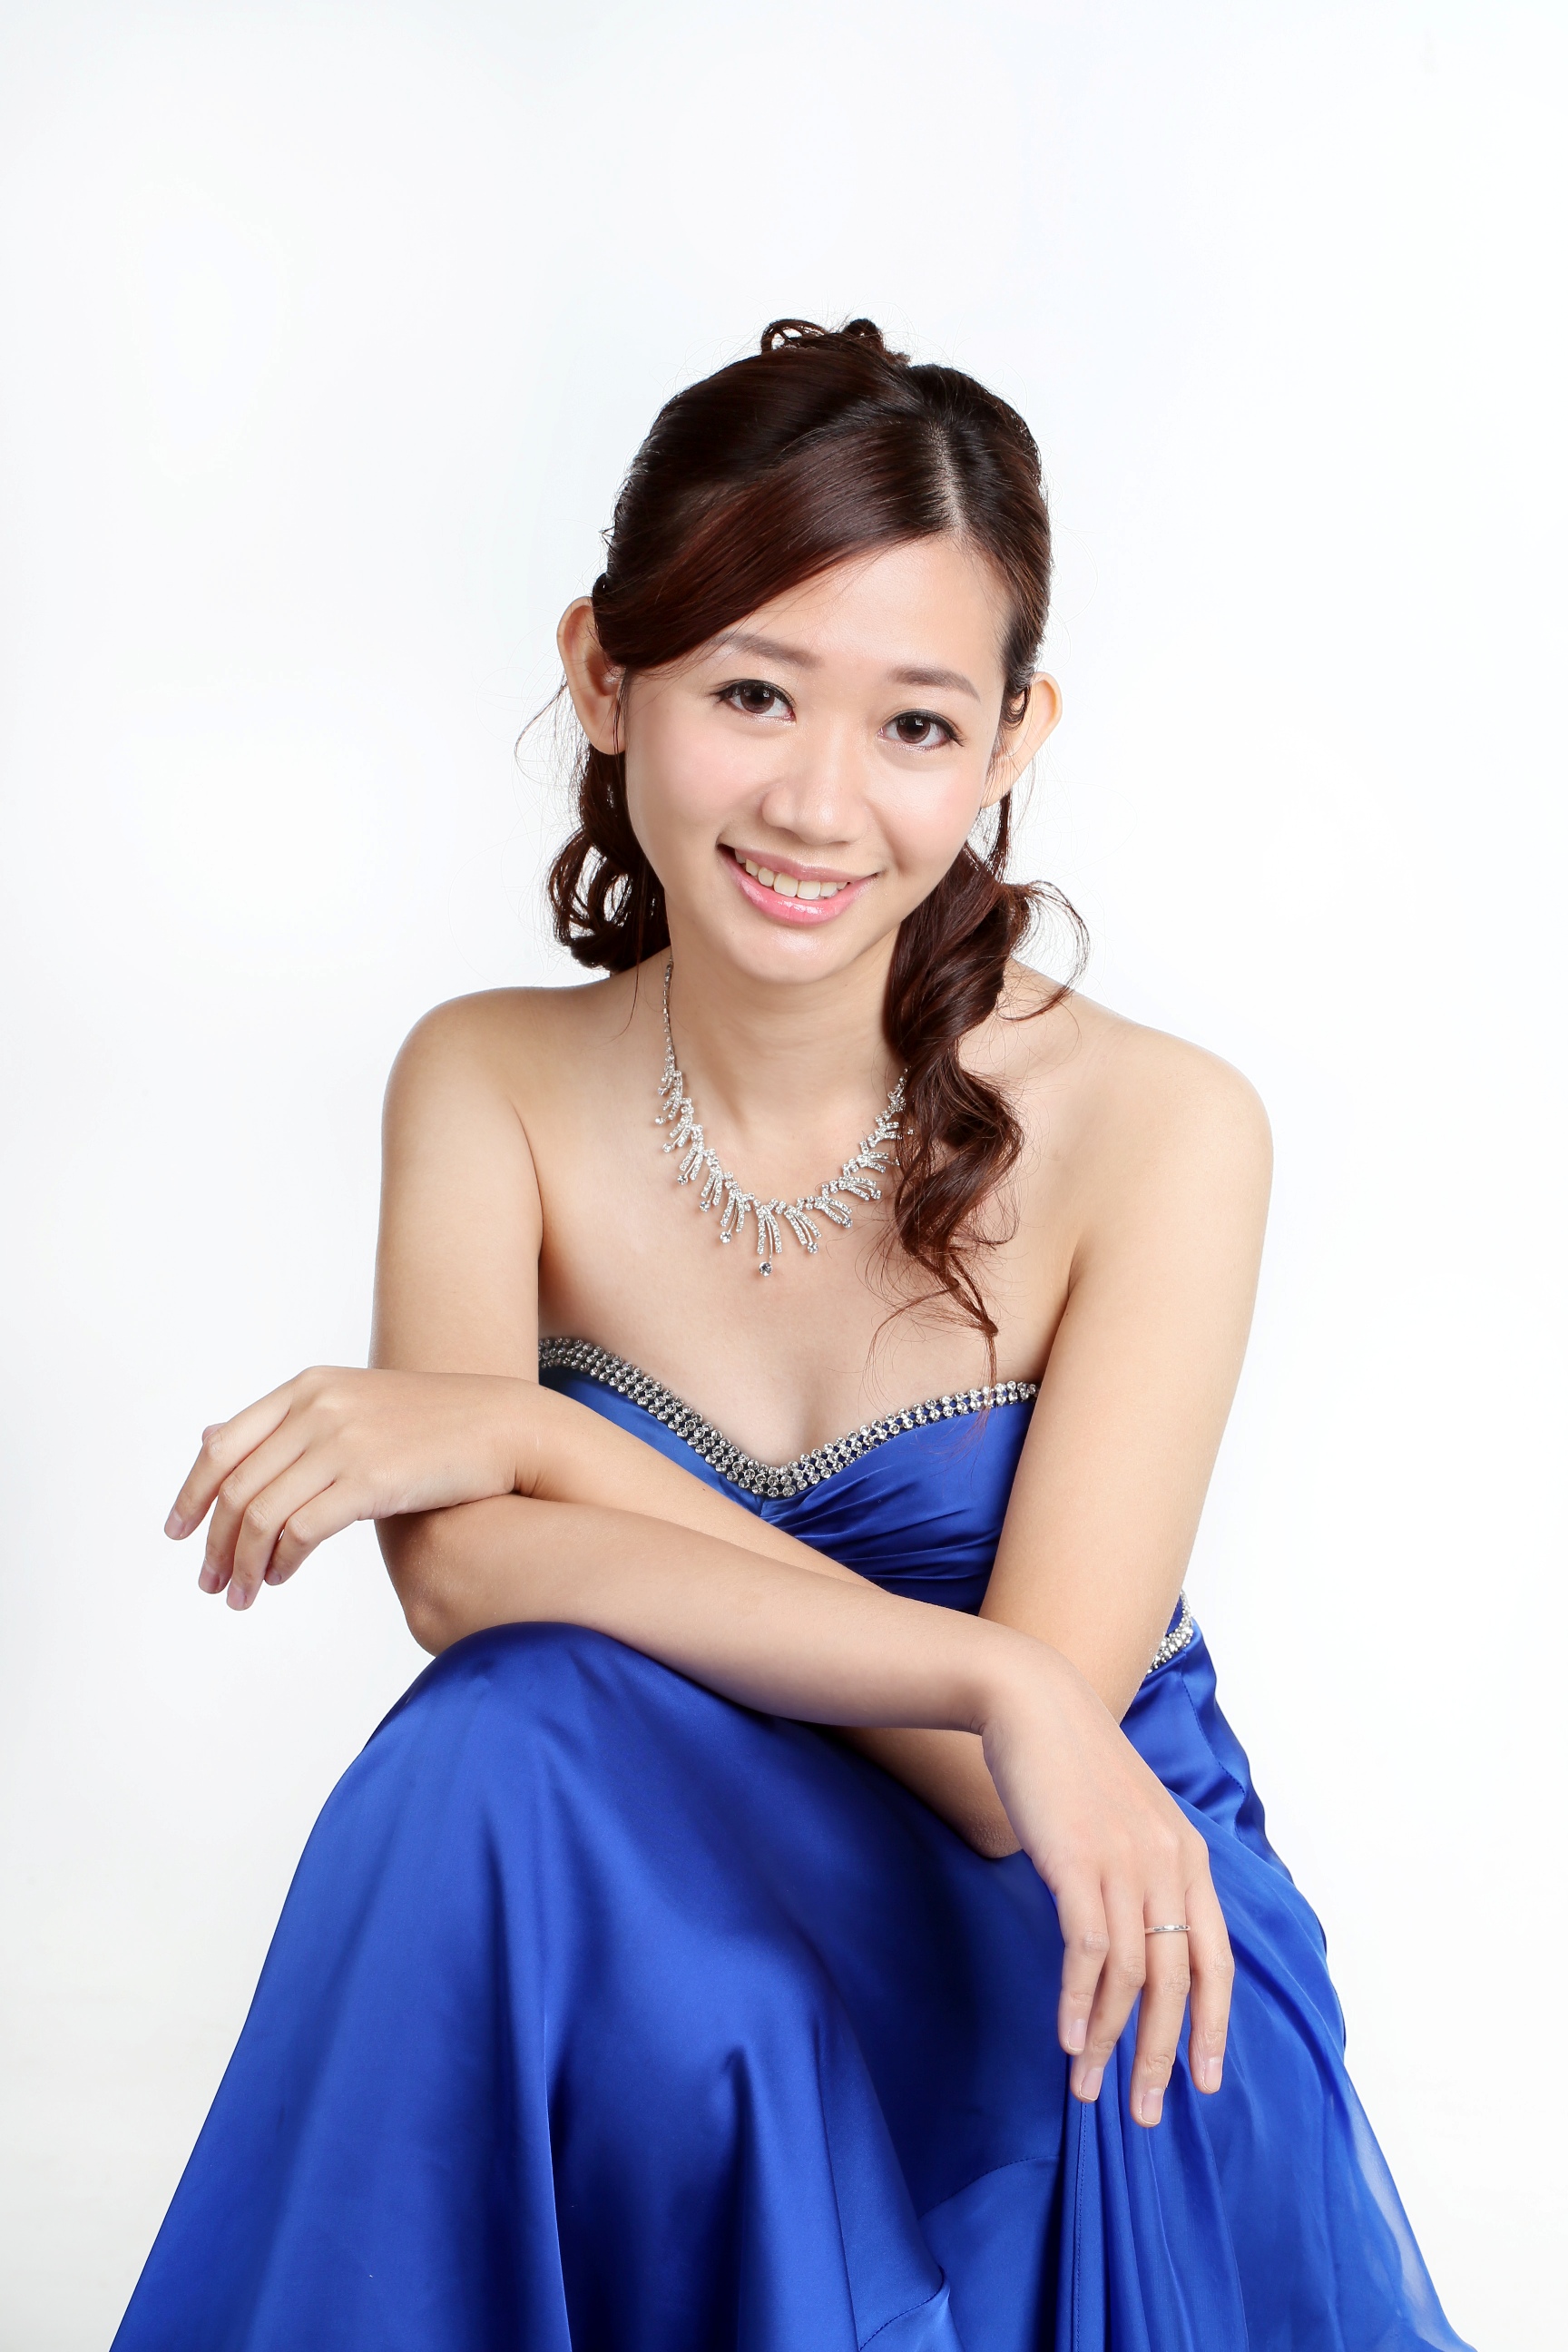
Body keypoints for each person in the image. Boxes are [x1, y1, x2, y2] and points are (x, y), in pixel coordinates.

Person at [113, 319, 1468, 2351]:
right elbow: (462, 1583)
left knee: (532, 1746)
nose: (822, 802)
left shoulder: (1166, 1128)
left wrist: (549, 1444)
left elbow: (1008, 1785)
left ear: (1012, 741)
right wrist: (991, 1672)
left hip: (1056, 1945)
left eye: (916, 723)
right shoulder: (487, 1079)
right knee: (497, 1748)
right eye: (753, 691)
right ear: (606, 674)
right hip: (686, 1935)